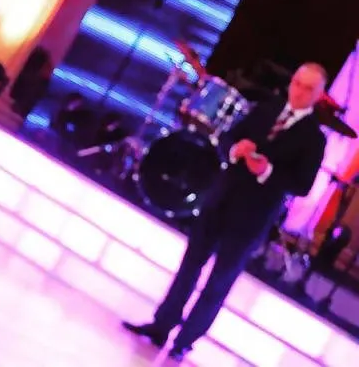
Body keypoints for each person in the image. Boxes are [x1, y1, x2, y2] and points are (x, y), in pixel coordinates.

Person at [122, 62, 328, 362]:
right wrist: (235, 150)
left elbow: (303, 184)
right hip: (221, 199)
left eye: (308, 88)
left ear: (319, 94)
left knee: (219, 281)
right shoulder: (266, 109)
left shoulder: (313, 137)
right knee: (189, 267)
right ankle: (161, 325)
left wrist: (268, 170)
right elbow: (228, 139)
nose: (298, 92)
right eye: (297, 83)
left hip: (253, 215)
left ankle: (185, 340)